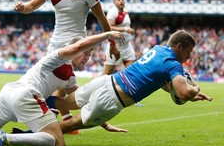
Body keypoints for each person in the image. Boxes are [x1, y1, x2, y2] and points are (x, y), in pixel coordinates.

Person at [0, 31, 125, 146]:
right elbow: (77, 46)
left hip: (8, 93)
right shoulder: (58, 56)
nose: (88, 57)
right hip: (26, 95)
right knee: (58, 141)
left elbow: (84, 100)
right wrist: (107, 34)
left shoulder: (70, 77)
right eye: (87, 52)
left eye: (90, 54)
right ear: (76, 49)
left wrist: (105, 123)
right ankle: (9, 138)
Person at [14, 0, 120, 130]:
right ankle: (62, 121)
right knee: (56, 83)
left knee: (65, 83)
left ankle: (56, 122)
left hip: (77, 45)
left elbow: (102, 19)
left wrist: (112, 44)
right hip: (56, 44)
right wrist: (22, 7)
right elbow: (31, 6)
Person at [46, 30, 213, 134]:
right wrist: (195, 88)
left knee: (61, 102)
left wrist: (191, 95)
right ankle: (27, 135)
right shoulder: (173, 64)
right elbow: (182, 93)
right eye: (189, 51)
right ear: (179, 46)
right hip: (112, 99)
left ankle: (31, 103)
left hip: (107, 81)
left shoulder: (157, 50)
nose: (189, 56)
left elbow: (163, 83)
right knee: (68, 126)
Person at [102, 0, 143, 107]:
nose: (121, 1)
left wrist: (128, 30)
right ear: (114, 2)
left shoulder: (125, 12)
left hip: (126, 46)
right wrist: (125, 29)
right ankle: (92, 93)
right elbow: (108, 27)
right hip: (116, 46)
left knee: (132, 72)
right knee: (106, 74)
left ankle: (133, 98)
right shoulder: (113, 12)